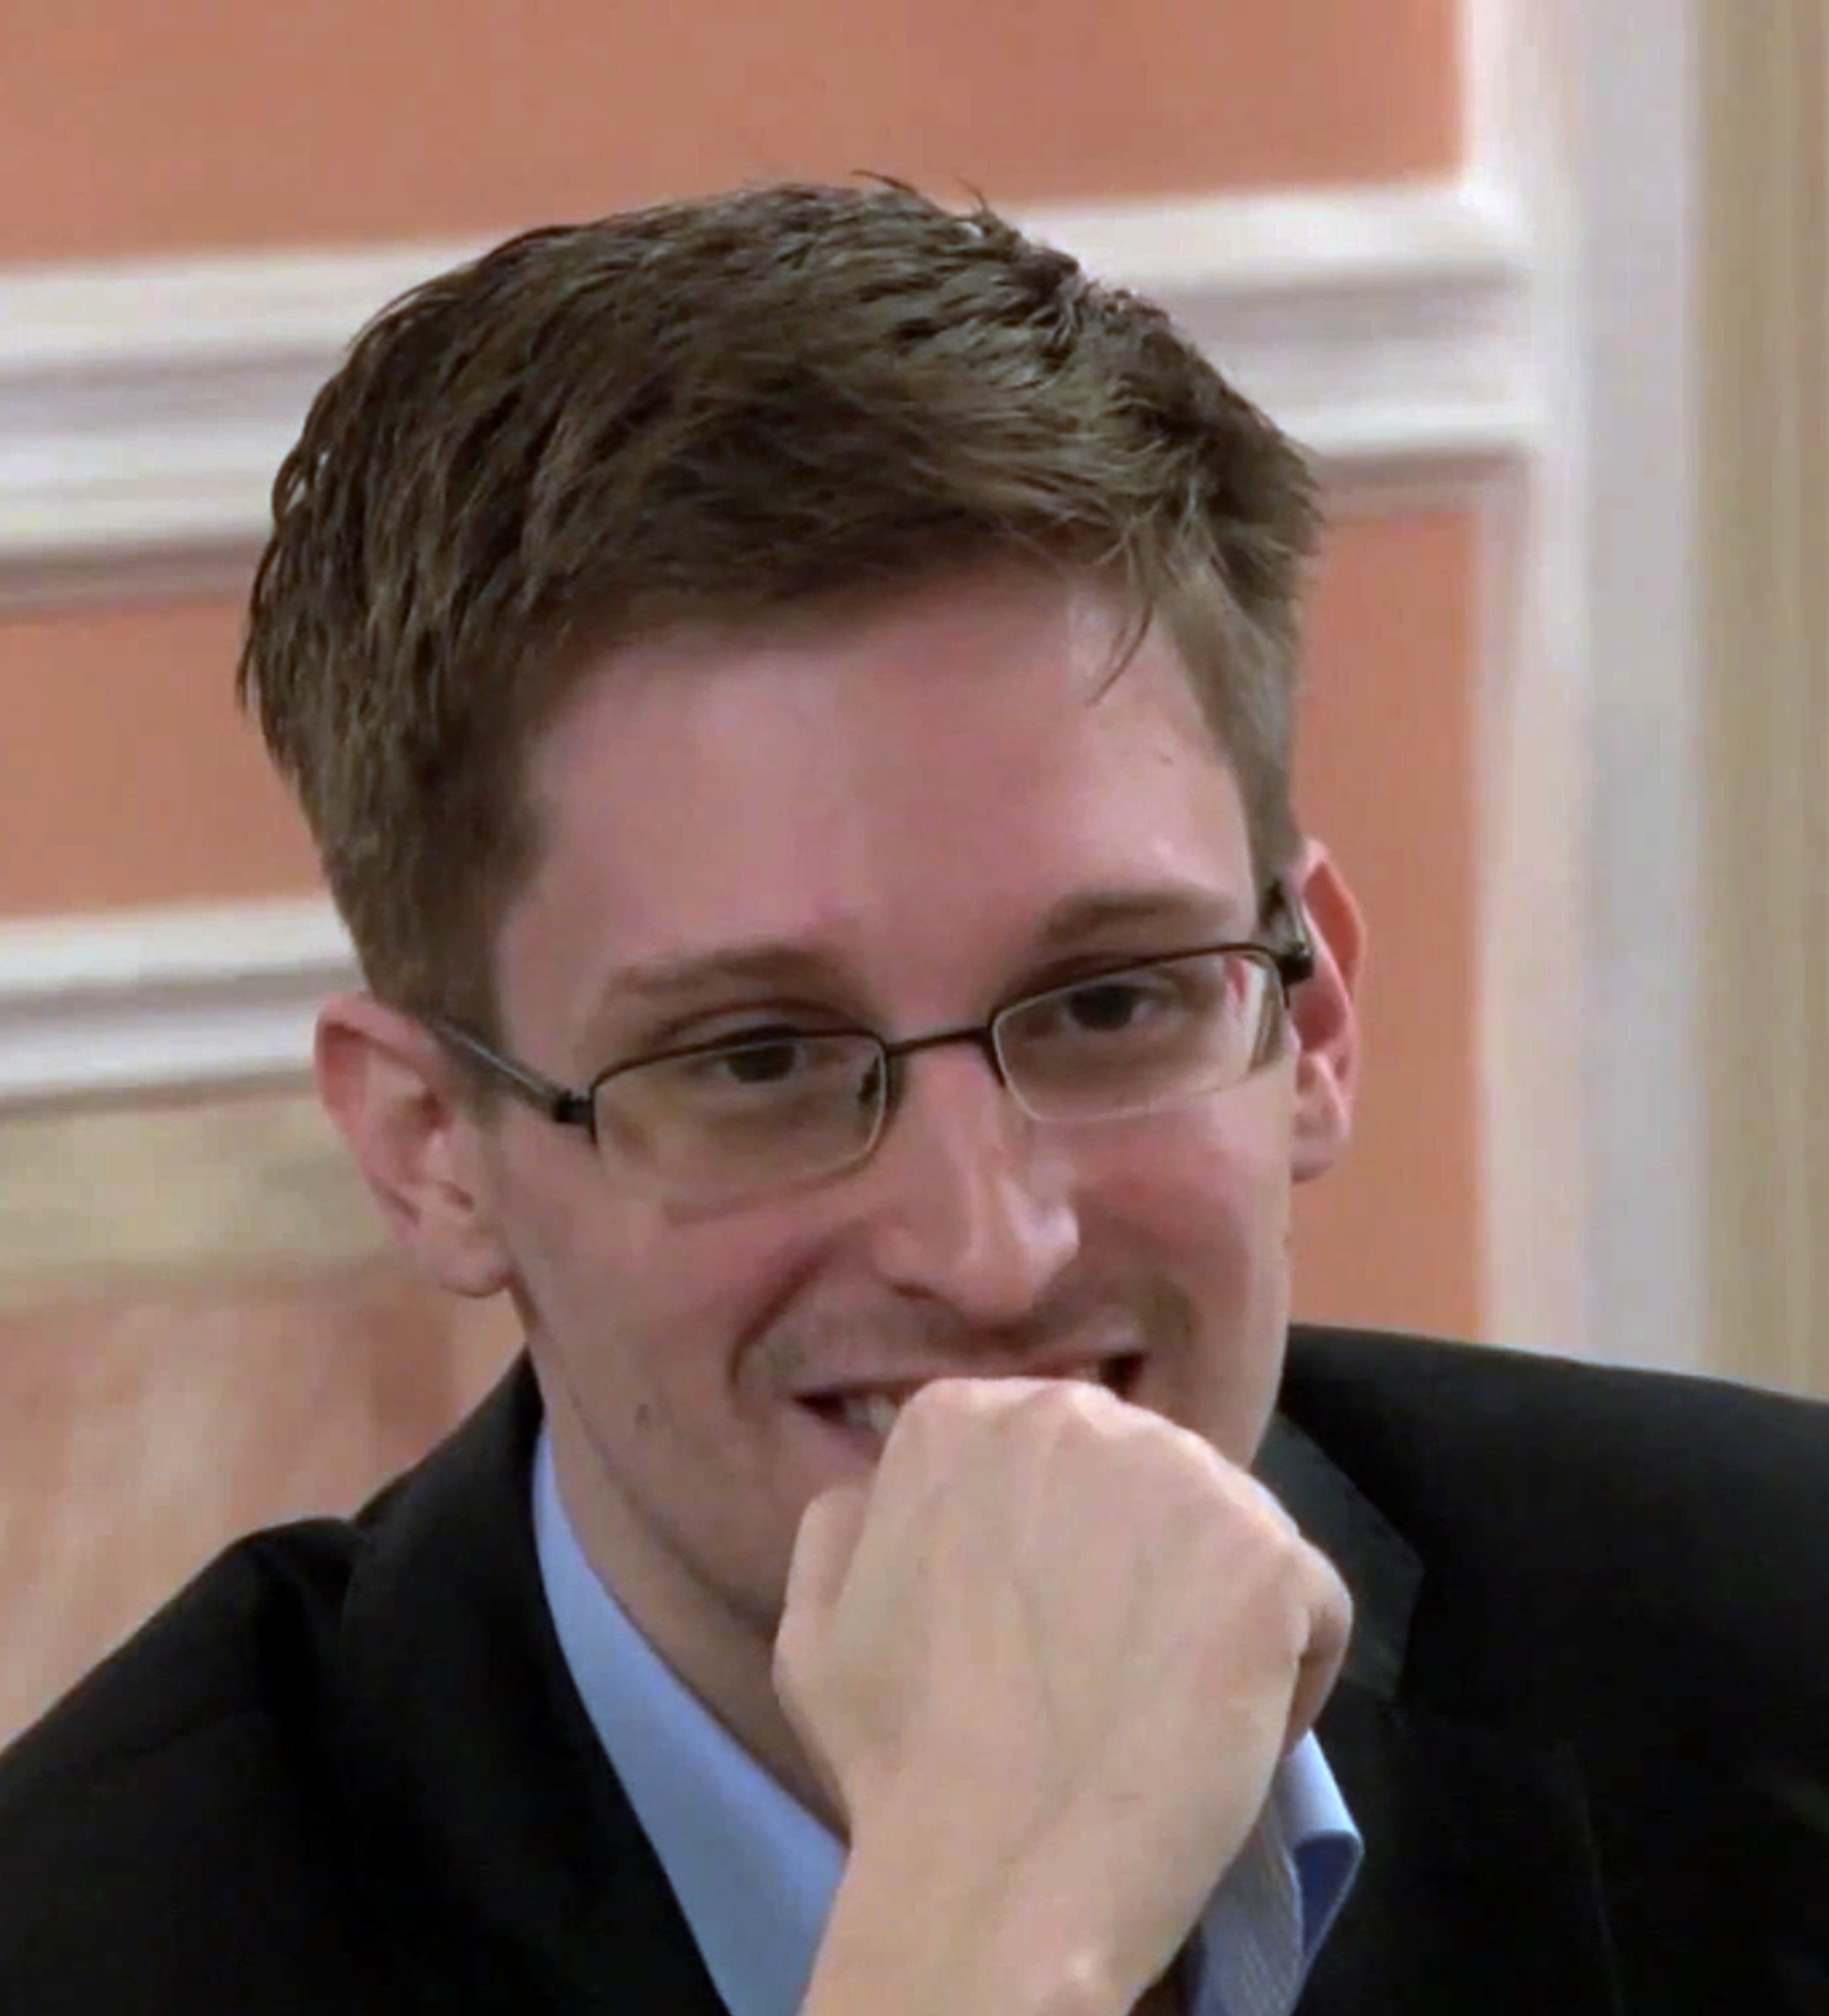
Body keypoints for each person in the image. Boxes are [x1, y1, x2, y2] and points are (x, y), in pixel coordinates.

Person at [0, 181, 1824, 2016]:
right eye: (756, 1062)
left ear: (1314, 1015)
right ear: (429, 1152)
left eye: (1108, 1003)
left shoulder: (1782, 1651)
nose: (992, 1249)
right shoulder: (96, 1949)